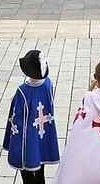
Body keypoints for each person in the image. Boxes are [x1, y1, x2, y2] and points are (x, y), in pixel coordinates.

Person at [3, 50, 60, 184]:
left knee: (27, 172)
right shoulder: (48, 84)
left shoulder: (22, 91)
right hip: (43, 134)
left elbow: (16, 118)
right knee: (40, 171)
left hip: (27, 137)